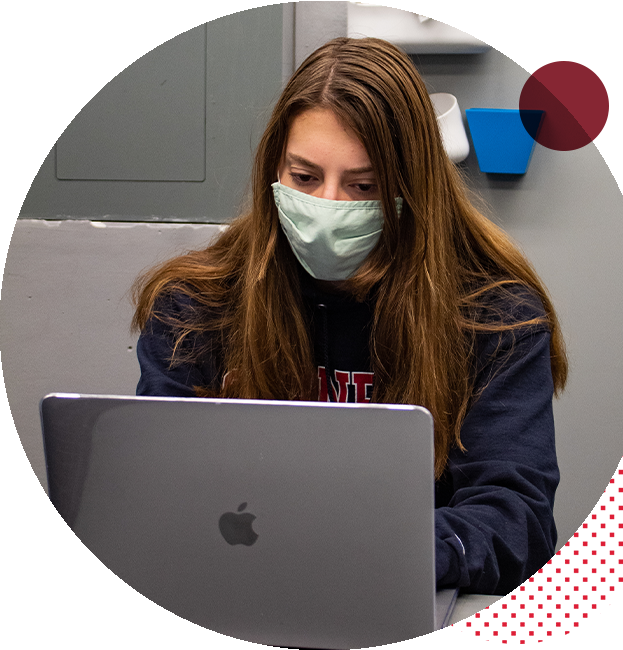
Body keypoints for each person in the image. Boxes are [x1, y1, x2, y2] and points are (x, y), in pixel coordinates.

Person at [132, 37, 568, 596]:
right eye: (305, 178)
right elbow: (154, 491)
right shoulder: (198, 303)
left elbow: (518, 524)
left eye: (363, 186)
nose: (330, 207)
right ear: (274, 171)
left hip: (404, 595)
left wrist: (380, 550)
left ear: (415, 189)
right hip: (231, 591)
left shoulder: (494, 317)